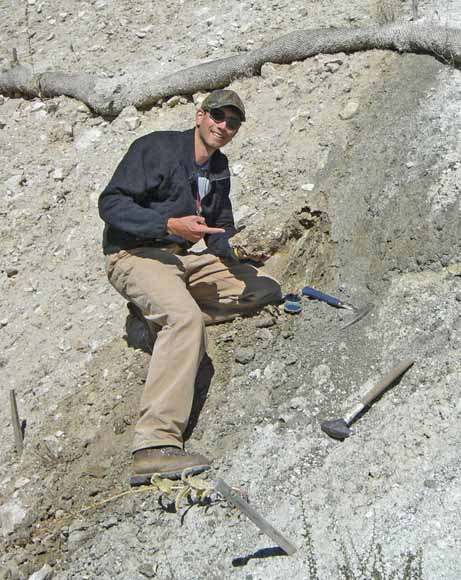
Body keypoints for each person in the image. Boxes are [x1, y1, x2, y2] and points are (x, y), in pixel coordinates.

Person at [98, 89, 282, 485]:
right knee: (184, 321)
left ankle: (153, 315)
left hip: (182, 261)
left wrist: (237, 250)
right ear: (200, 115)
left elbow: (218, 228)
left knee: (265, 290)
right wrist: (167, 226)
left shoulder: (219, 168)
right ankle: (153, 446)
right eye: (218, 116)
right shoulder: (155, 148)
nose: (224, 127)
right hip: (135, 256)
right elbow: (110, 204)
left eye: (233, 122)